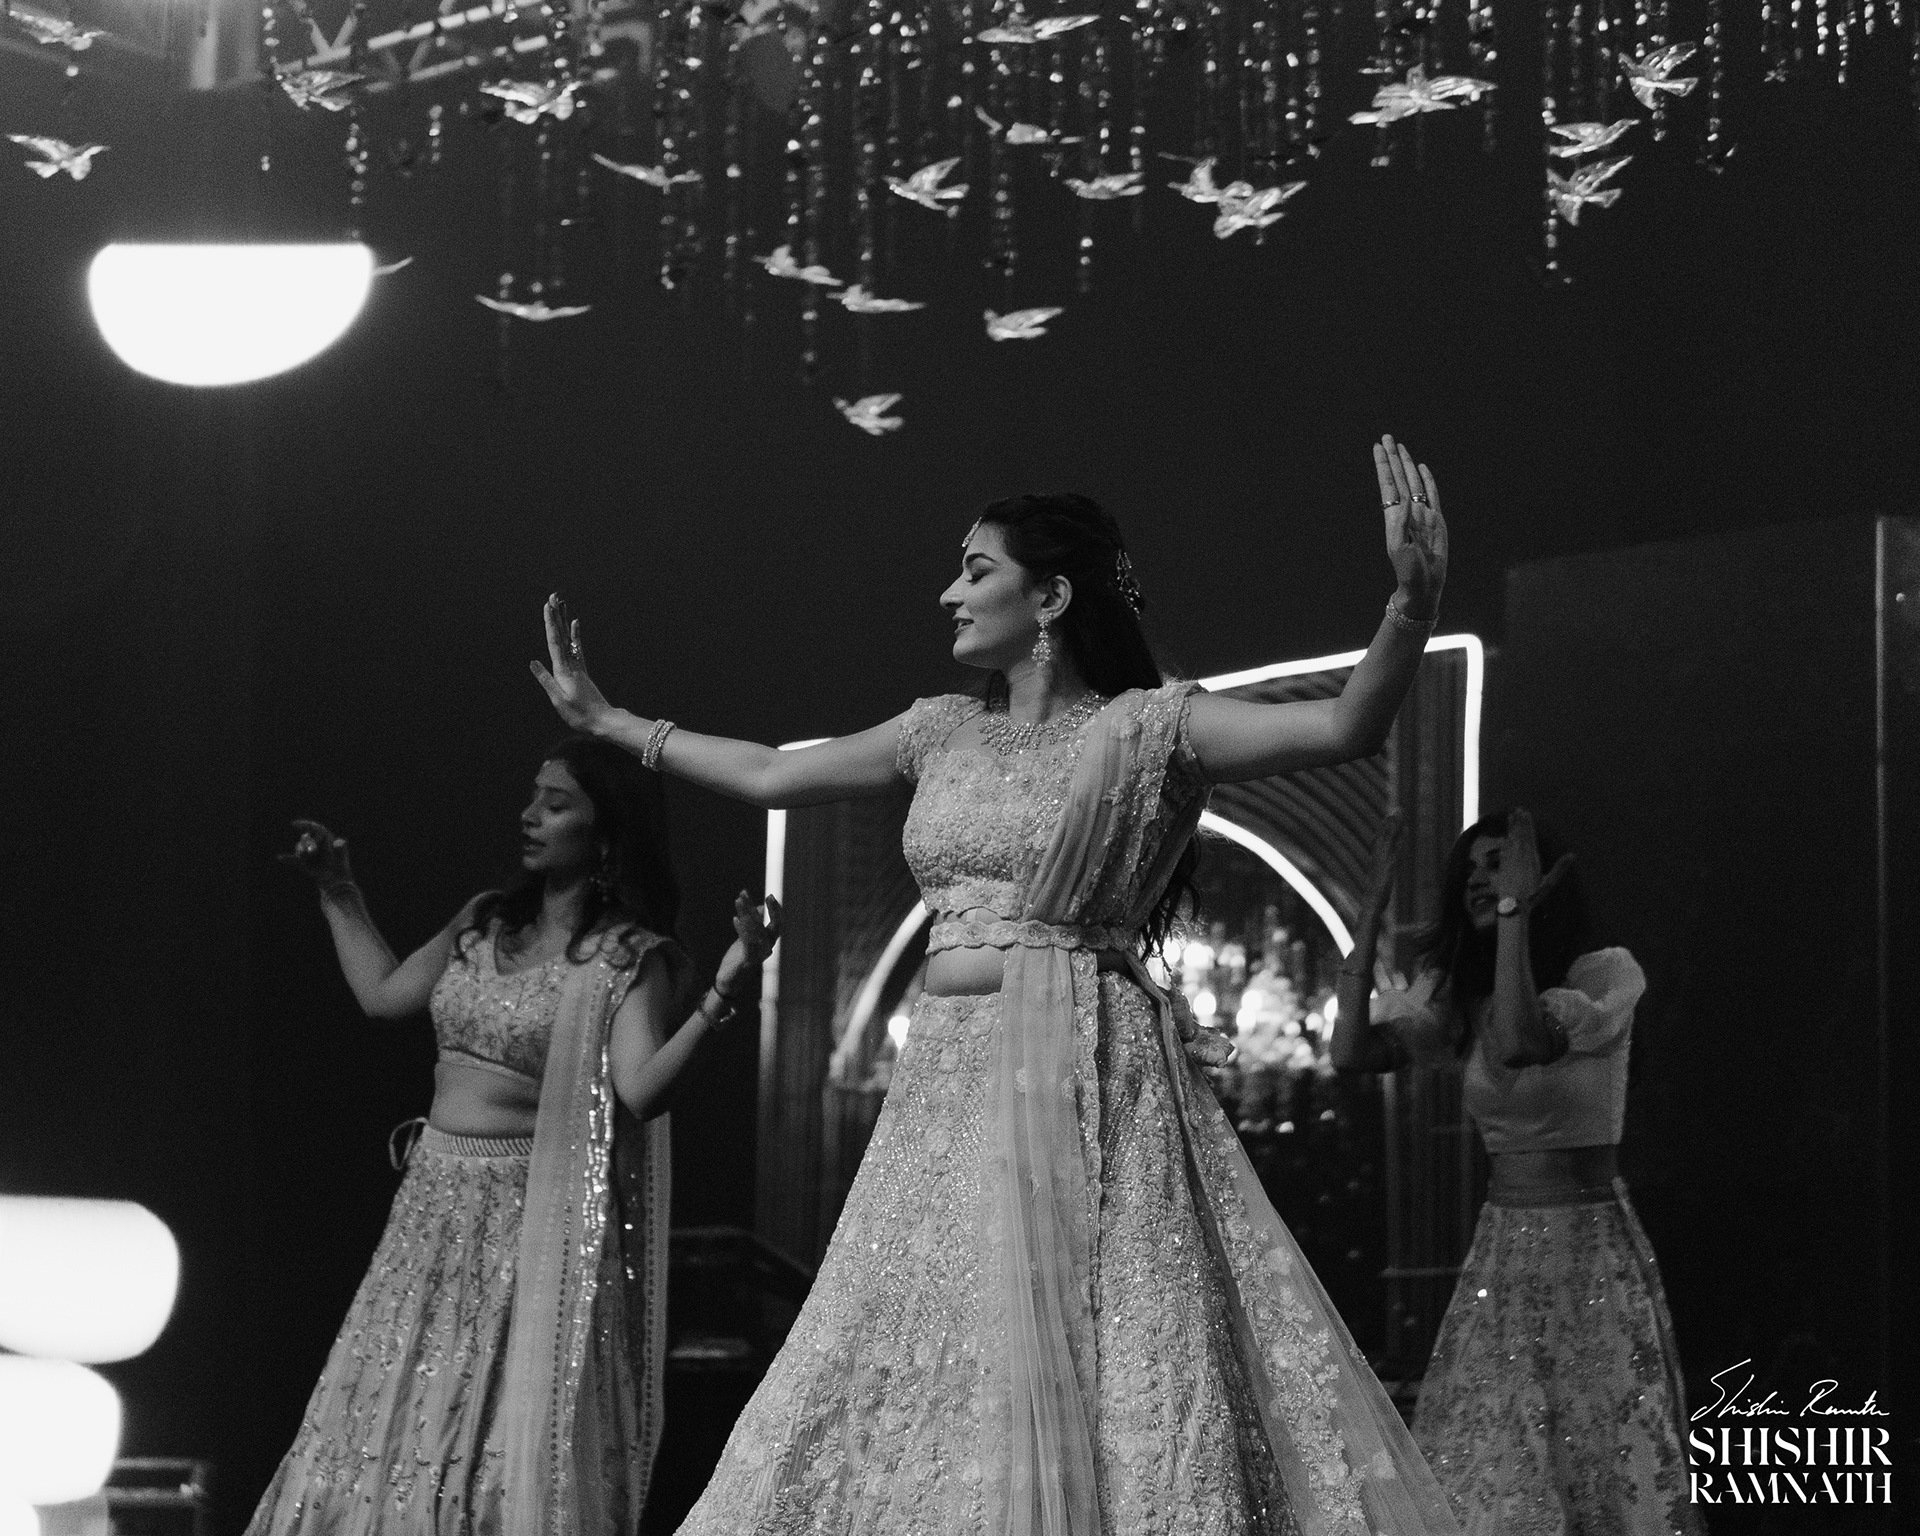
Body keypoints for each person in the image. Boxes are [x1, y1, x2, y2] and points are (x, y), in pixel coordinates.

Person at [533, 437, 1459, 1536]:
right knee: (925, 1336)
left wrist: (1410, 603)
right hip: (948, 1089)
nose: (948, 591)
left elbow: (1345, 726)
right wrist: (611, 724)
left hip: (1089, 1074)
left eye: (976, 569)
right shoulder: (939, 731)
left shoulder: (1152, 729)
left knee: (1111, 1341)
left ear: (1052, 595)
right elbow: (775, 775)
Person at [247, 735, 781, 1536]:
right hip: (429, 1208)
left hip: (523, 1225)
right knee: (385, 1416)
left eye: (556, 804)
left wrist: (727, 985)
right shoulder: (486, 920)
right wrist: (338, 890)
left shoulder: (625, 956)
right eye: (533, 796)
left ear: (606, 834)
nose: (530, 816)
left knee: (489, 1438)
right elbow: (386, 997)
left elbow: (641, 1091)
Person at [1330, 809, 1701, 1536]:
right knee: (1492, 1464)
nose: (1479, 878)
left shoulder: (1604, 974)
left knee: (1603, 1461)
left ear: (1540, 880)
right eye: (1470, 870)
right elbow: (1351, 1055)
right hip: (1504, 1251)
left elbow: (1522, 1040)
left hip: (1590, 1249)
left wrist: (1511, 919)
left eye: (1497, 865)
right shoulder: (1452, 995)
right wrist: (1369, 918)